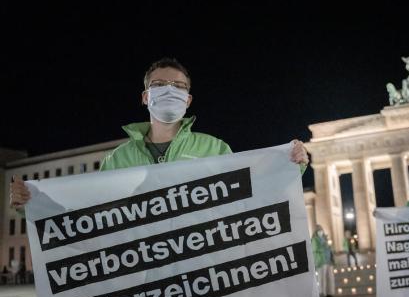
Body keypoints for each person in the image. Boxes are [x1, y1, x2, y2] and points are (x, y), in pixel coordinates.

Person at [9, 57, 309, 207]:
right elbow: (89, 211)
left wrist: (290, 163)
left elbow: (250, 190)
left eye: (178, 87)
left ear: (188, 100)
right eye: (159, 86)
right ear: (145, 97)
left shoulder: (215, 148)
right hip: (144, 284)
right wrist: (33, 202)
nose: (169, 91)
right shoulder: (117, 159)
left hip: (206, 273)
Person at [311, 225, 335, 297]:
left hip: (328, 260)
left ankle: (330, 292)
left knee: (330, 277)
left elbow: (330, 248)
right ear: (316, 231)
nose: (320, 231)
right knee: (321, 277)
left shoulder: (325, 238)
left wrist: (330, 247)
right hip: (321, 261)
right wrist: (324, 247)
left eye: (321, 230)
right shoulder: (314, 239)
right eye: (319, 230)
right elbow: (314, 249)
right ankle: (322, 292)